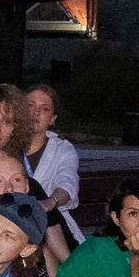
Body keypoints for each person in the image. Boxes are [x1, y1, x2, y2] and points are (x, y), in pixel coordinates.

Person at [20, 83, 82, 263]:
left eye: (44, 109)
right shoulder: (5, 146)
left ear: (52, 118)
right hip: (13, 223)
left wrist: (50, 202)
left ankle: (71, 271)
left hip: (54, 226)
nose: (35, 113)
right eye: (30, 106)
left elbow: (67, 181)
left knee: (38, 206)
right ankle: (73, 271)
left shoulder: (63, 150)